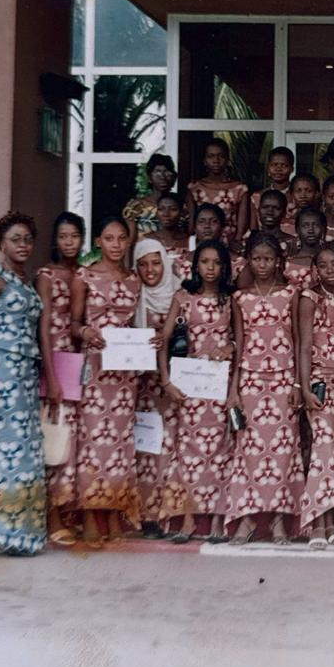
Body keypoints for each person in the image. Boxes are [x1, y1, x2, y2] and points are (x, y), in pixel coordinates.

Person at [0, 212, 47, 555]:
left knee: (26, 451)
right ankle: (5, 533)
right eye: (15, 239)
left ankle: (24, 533)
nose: (23, 245)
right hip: (3, 371)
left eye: (28, 240)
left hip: (26, 373)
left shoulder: (24, 279)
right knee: (9, 451)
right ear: (2, 242)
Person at [158, 240, 239, 544]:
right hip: (189, 386)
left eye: (216, 263)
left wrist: (229, 347)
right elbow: (163, 340)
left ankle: (218, 518)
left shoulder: (230, 300)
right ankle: (188, 518)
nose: (210, 268)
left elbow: (240, 341)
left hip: (219, 384)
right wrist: (166, 381)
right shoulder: (183, 298)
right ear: (195, 265)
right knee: (188, 452)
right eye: (204, 262)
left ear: (224, 267)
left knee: (221, 450)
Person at [225, 232, 302, 546]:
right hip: (251, 381)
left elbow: (298, 339)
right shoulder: (240, 298)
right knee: (250, 451)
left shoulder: (291, 293)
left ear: (279, 261)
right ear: (248, 261)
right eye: (256, 259)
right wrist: (233, 390)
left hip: (283, 379)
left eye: (268, 259)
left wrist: (297, 382)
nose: (262, 264)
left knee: (283, 451)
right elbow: (239, 343)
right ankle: (246, 520)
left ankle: (279, 520)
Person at [71, 217, 143, 547]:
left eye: (121, 238)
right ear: (99, 241)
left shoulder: (134, 279)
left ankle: (114, 514)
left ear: (129, 242)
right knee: (92, 444)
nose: (116, 244)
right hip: (96, 372)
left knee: (120, 446)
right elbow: (73, 324)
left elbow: (138, 323)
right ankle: (89, 516)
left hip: (125, 375)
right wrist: (86, 331)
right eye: (109, 238)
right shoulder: (84, 276)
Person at [298, 242, 334, 547]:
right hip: (318, 381)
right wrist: (304, 387)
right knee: (322, 448)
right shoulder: (310, 298)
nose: (330, 269)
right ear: (315, 269)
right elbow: (305, 346)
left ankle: (333, 521)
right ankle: (316, 522)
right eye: (323, 265)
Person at [36, 211, 85, 546]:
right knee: (54, 439)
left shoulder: (83, 274)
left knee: (70, 443)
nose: (69, 242)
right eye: (63, 236)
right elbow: (43, 328)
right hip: (55, 362)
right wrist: (51, 377)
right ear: (55, 240)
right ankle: (51, 518)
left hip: (77, 364)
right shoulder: (46, 275)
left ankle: (66, 513)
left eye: (74, 236)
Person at [131, 239, 179, 539]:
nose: (150, 270)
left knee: (172, 448)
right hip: (145, 386)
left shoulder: (180, 294)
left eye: (155, 263)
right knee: (148, 448)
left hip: (175, 386)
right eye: (143, 264)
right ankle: (148, 515)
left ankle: (170, 513)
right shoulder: (133, 297)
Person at [184, 137, 249, 251]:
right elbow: (191, 224)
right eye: (211, 156)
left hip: (230, 245)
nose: (216, 160)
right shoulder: (194, 188)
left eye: (221, 156)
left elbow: (241, 226)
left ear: (227, 159)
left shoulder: (239, 189)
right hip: (202, 245)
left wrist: (236, 242)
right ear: (204, 160)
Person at [123, 154, 177, 244]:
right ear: (149, 177)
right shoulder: (137, 206)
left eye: (167, 172)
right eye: (157, 172)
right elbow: (129, 241)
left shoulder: (180, 206)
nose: (162, 177)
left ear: (174, 177)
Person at [283, 206, 326, 289]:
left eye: (315, 225)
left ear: (323, 228)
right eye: (305, 226)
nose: (311, 230)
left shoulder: (331, 261)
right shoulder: (287, 264)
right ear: (297, 230)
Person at [252, 146, 295, 224]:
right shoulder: (257, 197)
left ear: (292, 169)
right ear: (268, 167)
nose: (278, 169)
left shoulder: (297, 197)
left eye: (284, 165)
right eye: (274, 165)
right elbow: (254, 226)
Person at [145, 192, 188, 264]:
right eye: (161, 209)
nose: (166, 214)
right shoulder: (146, 240)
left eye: (173, 209)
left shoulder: (189, 241)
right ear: (156, 213)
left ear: (182, 212)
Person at [281, 171, 320, 238]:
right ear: (292, 194)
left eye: (309, 191)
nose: (303, 195)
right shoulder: (284, 220)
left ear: (316, 193)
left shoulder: (321, 218)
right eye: (298, 191)